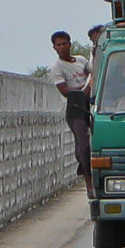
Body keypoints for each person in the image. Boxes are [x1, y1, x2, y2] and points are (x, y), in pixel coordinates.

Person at [49, 31, 93, 198]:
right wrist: (85, 90)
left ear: (70, 44)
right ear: (54, 48)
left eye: (64, 43)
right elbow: (65, 91)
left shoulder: (81, 60)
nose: (62, 47)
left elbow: (94, 71)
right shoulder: (57, 68)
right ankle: (88, 180)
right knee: (83, 145)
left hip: (90, 103)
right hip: (75, 108)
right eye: (58, 44)